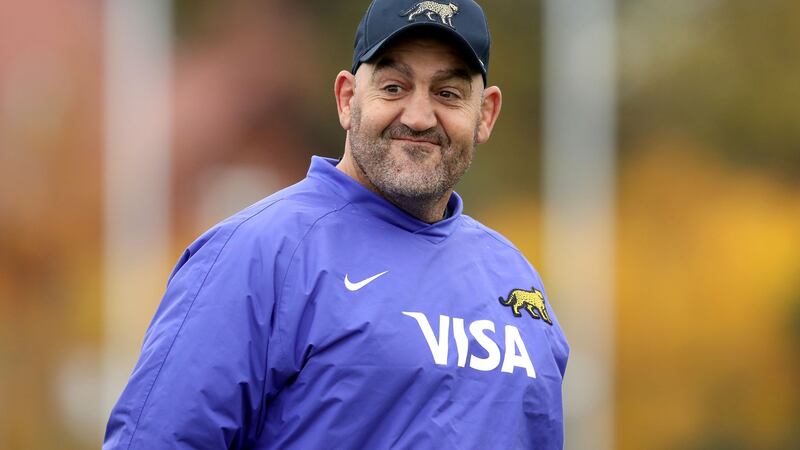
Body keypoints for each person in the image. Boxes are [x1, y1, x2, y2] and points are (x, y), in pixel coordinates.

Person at [104, 0, 569, 448]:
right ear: (347, 99)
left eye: (448, 94)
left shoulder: (515, 284)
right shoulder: (258, 257)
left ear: (485, 114)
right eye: (393, 87)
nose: (420, 116)